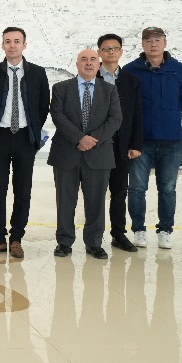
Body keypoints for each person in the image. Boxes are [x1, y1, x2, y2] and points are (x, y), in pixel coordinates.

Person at [0, 27, 50, 260]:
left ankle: (16, 238)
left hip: (25, 138)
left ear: (24, 45)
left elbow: (43, 106)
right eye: (7, 41)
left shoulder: (37, 73)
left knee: (23, 190)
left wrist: (34, 131)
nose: (12, 45)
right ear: (2, 45)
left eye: (17, 41)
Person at [48, 49, 122, 260]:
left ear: (99, 64)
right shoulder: (61, 88)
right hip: (66, 153)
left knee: (96, 202)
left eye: (92, 60)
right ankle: (64, 242)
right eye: (84, 59)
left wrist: (92, 139)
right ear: (77, 64)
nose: (88, 63)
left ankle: (94, 243)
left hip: (99, 154)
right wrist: (79, 138)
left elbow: (115, 119)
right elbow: (58, 115)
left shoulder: (110, 90)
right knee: (65, 201)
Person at [122, 27, 182, 250]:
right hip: (140, 142)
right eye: (148, 40)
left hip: (171, 141)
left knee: (168, 188)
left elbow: (180, 99)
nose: (153, 44)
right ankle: (138, 229)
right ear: (142, 44)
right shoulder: (131, 70)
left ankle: (165, 230)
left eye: (158, 40)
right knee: (137, 188)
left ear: (165, 43)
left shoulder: (177, 69)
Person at [96, 33, 144, 253]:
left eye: (115, 48)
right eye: (106, 49)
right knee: (95, 193)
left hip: (122, 145)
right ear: (99, 52)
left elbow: (137, 115)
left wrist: (136, 144)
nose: (111, 52)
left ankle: (118, 234)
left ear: (121, 52)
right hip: (96, 144)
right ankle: (94, 237)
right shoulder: (91, 76)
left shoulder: (131, 81)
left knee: (119, 192)